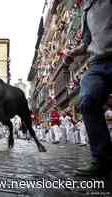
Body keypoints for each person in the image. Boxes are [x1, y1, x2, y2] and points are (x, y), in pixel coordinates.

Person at [64, 0, 112, 177]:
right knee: (87, 100)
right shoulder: (85, 9)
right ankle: (102, 159)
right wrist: (72, 53)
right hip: (97, 64)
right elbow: (86, 42)